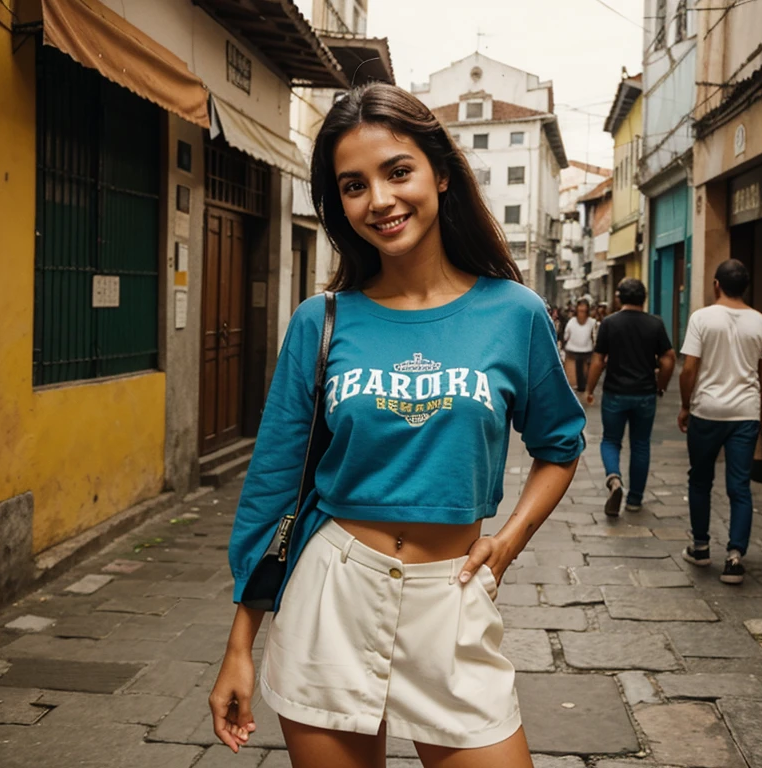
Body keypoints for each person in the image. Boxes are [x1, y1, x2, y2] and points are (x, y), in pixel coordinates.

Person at [208, 83, 586, 768]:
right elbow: (272, 487)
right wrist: (240, 643)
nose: (378, 200)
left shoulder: (516, 313)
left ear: (439, 172)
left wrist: (506, 544)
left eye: (397, 171)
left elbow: (560, 446)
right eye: (353, 185)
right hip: (333, 594)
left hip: (453, 600)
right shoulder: (320, 322)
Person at [678, 259, 762, 585]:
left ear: (716, 284)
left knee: (700, 480)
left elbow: (689, 369)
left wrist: (686, 405)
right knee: (739, 487)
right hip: (745, 413)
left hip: (707, 411)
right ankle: (735, 557)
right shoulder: (761, 322)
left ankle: (701, 547)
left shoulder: (702, 318)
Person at [585, 278, 676, 516]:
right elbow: (669, 358)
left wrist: (590, 389)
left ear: (618, 298)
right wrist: (661, 385)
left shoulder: (609, 323)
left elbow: (597, 360)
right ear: (643, 298)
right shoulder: (655, 324)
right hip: (645, 393)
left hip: (615, 392)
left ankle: (614, 477)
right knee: (640, 444)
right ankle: (635, 499)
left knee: (611, 440)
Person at [563, 298, 596, 392]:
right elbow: (566, 335)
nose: (582, 309)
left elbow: (594, 336)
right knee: (573, 378)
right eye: (580, 306)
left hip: (587, 351)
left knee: (585, 374)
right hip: (572, 351)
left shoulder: (592, 322)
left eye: (584, 306)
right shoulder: (571, 321)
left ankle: (584, 387)